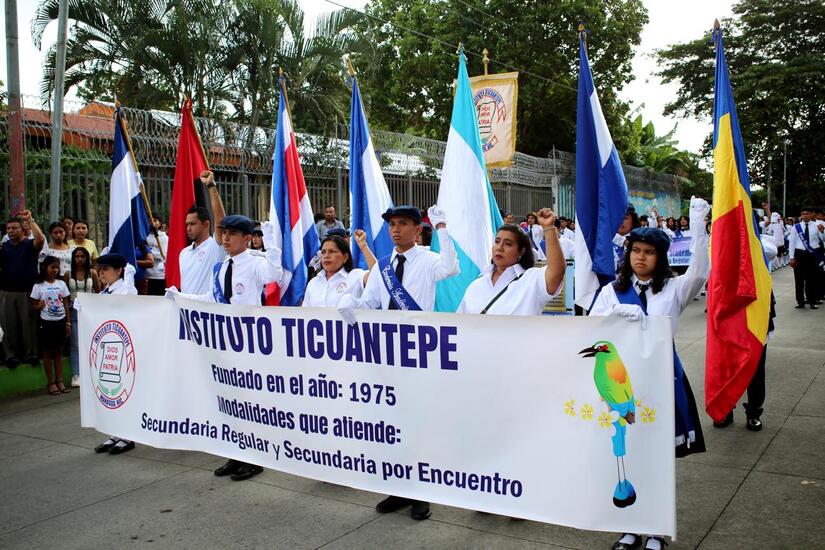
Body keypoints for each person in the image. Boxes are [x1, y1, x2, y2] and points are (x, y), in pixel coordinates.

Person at [590, 196, 710, 550]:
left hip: (660, 380)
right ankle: (629, 527)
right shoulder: (612, 290)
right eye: (635, 250)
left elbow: (700, 272)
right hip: (622, 385)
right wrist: (615, 317)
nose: (640, 257)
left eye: (649, 252)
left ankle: (657, 529)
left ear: (661, 258)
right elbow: (592, 331)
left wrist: (698, 223)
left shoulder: (672, 290)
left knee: (657, 456)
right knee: (624, 453)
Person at [338, 205, 458, 521]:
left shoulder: (428, 260)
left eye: (402, 223)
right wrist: (351, 306)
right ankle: (399, 488)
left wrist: (442, 226)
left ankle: (423, 492)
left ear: (417, 230)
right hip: (387, 355)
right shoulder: (382, 269)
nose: (395, 229)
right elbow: (371, 304)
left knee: (418, 425)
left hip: (417, 353)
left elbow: (450, 267)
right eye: (392, 224)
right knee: (392, 423)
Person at [167, 215, 283, 481]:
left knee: (250, 402)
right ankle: (236, 453)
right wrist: (180, 297)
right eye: (224, 233)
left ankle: (255, 458)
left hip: (249, 344)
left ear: (246, 238)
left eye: (232, 234)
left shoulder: (256, 264)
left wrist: (272, 243)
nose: (226, 239)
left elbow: (274, 275)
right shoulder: (219, 268)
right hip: (226, 343)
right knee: (230, 401)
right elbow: (211, 299)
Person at [457, 209, 564, 315]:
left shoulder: (531, 279)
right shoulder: (476, 284)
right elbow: (459, 325)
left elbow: (556, 272)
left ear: (521, 251)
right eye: (497, 242)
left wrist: (548, 228)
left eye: (508, 244)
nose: (499, 248)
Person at [92, 253, 138, 455]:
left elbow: (127, 301)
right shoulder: (106, 292)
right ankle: (114, 433)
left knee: (123, 392)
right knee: (109, 392)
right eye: (100, 270)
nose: (101, 273)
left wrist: (129, 278)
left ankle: (127, 436)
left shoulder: (126, 289)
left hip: (123, 349)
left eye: (106, 270)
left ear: (118, 271)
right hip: (107, 349)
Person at [0, 211, 45, 368]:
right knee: (8, 326)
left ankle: (31, 354)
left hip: (27, 291)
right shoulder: (3, 247)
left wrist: (30, 220)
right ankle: (10, 355)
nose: (11, 231)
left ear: (22, 229)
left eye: (14, 228)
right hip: (7, 292)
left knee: (29, 326)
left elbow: (40, 240)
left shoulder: (29, 245)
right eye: (8, 229)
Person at [179, 171, 227, 294]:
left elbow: (221, 221)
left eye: (192, 224)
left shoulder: (215, 247)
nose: (188, 228)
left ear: (206, 224)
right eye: (187, 224)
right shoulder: (184, 253)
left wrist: (211, 186)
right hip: (187, 311)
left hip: (207, 311)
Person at [30, 256, 71, 395]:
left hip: (60, 321)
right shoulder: (38, 286)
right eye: (52, 267)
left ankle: (60, 380)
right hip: (46, 323)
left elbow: (66, 304)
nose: (55, 270)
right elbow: (33, 305)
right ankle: (51, 382)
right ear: (44, 268)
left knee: (58, 351)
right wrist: (38, 306)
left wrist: (68, 322)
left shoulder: (61, 284)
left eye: (57, 267)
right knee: (47, 352)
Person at [303, 231, 372, 307]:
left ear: (345, 257)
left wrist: (363, 245)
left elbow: (378, 275)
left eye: (331, 252)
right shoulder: (313, 283)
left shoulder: (356, 276)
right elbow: (305, 314)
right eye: (323, 252)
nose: (326, 256)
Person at [65, 247, 99, 387]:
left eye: (82, 256)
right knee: (75, 343)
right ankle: (76, 374)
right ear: (73, 258)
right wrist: (67, 320)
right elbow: (65, 298)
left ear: (87, 258)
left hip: (89, 309)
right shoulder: (68, 274)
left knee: (91, 341)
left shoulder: (93, 273)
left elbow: (98, 293)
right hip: (74, 308)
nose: (80, 259)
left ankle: (92, 372)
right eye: (77, 256)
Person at [788, 207, 825, 309]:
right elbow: (792, 243)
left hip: (813, 255)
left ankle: (812, 301)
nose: (805, 215)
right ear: (801, 215)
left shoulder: (818, 226)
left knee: (811, 279)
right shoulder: (796, 227)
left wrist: (822, 232)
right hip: (799, 254)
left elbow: (823, 240)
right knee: (799, 279)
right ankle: (800, 301)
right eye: (803, 213)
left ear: (811, 214)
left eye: (807, 213)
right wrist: (791, 257)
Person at [145, 218, 169, 296]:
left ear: (159, 223)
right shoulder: (145, 237)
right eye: (150, 220)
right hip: (147, 275)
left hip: (159, 275)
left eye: (155, 220)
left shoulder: (164, 238)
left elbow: (164, 255)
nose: (152, 222)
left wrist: (150, 254)